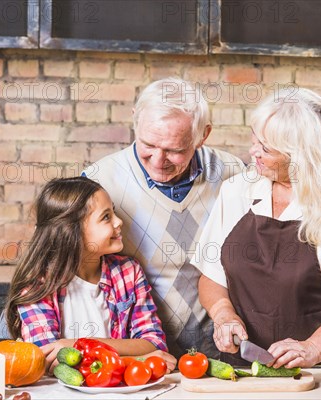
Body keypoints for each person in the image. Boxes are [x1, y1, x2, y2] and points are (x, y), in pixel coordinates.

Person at [193, 87, 321, 368]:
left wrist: (313, 349)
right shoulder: (236, 191)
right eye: (255, 139)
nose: (252, 152)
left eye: (266, 149)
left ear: (301, 156)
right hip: (246, 368)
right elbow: (211, 277)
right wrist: (223, 315)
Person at [82, 77, 245, 359]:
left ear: (203, 135)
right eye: (148, 144)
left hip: (221, 346)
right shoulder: (98, 182)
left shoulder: (234, 174)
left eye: (175, 150)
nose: (159, 161)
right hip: (136, 353)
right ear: (135, 119)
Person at [4, 177, 176, 374]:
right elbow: (51, 363)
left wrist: (77, 344)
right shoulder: (38, 285)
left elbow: (154, 343)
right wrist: (139, 359)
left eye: (114, 212)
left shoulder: (128, 272)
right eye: (106, 217)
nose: (119, 222)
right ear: (72, 232)